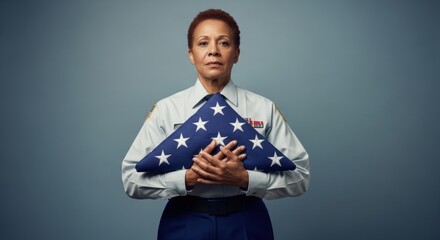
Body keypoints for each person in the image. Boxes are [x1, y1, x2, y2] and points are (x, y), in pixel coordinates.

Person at [122, 9, 310, 240]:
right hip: (184, 221)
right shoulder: (166, 110)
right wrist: (186, 179)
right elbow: (130, 179)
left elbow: (301, 176)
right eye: (203, 43)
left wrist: (245, 179)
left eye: (224, 42)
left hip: (246, 221)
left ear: (237, 53)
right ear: (191, 54)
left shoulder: (264, 108)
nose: (213, 51)